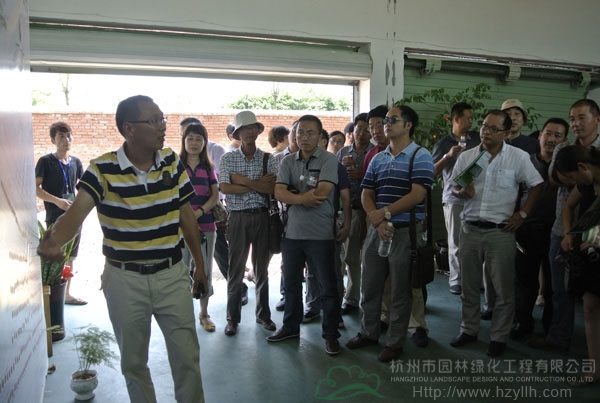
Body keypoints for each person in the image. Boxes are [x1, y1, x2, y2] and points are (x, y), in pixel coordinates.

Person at [37, 95, 208, 402]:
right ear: (129, 128)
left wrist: (200, 267)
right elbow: (76, 213)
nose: (163, 126)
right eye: (154, 121)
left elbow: (186, 217)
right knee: (134, 364)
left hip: (171, 275)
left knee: (187, 358)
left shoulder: (171, 162)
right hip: (124, 281)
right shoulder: (102, 169)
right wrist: (54, 241)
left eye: (162, 119)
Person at [449, 109, 543, 358]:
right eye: (484, 126)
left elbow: (536, 185)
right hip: (470, 229)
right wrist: (462, 192)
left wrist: (522, 214)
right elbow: (454, 188)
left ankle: (499, 337)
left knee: (503, 290)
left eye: (493, 128)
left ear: (506, 133)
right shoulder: (469, 156)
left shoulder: (517, 157)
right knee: (469, 287)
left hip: (500, 232)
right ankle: (468, 329)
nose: (486, 132)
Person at [346, 105, 434, 363]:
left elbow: (417, 195)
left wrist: (383, 214)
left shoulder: (420, 155)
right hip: (378, 231)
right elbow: (367, 192)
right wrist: (377, 220)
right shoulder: (378, 158)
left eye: (392, 120)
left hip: (405, 232)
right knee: (370, 286)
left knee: (400, 291)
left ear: (408, 125)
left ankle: (395, 343)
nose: (386, 124)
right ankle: (368, 333)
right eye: (385, 120)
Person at [529, 99, 600, 352]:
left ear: (597, 120)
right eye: (572, 118)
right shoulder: (564, 147)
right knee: (560, 289)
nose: (576, 123)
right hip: (563, 229)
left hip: (593, 235)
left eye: (581, 117)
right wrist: (579, 178)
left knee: (590, 295)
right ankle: (559, 336)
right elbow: (554, 178)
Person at [267, 114, 342, 355]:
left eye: (310, 133)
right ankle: (291, 327)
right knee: (291, 285)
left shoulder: (329, 160)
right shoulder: (288, 161)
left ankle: (331, 335)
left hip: (321, 235)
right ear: (294, 135)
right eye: (300, 132)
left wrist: (294, 196)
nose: (304, 137)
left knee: (327, 287)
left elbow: (322, 193)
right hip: (292, 234)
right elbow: (279, 192)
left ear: (320, 136)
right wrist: (302, 198)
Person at [219, 110, 277, 336]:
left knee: (262, 270)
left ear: (258, 131)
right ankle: (232, 318)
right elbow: (225, 188)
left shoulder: (268, 159)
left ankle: (263, 316)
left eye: (253, 127)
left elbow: (270, 188)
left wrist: (241, 181)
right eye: (245, 129)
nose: (250, 132)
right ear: (238, 133)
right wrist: (256, 184)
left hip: (262, 216)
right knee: (235, 270)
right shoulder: (228, 158)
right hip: (237, 218)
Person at [511, 118, 568, 340]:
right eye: (548, 134)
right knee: (524, 281)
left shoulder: (566, 166)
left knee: (553, 285)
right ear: (540, 136)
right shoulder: (526, 162)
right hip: (527, 229)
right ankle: (522, 322)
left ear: (564, 140)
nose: (551, 139)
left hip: (556, 232)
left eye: (558, 136)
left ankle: (550, 326)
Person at [553, 145, 600, 386]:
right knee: (590, 308)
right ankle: (595, 369)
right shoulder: (586, 183)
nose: (573, 183)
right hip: (591, 254)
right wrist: (569, 233)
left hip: (594, 244)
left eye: (572, 178)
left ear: (582, 167)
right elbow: (568, 207)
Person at [35, 121, 87, 305]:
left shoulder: (76, 162)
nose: (66, 140)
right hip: (54, 217)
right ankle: (52, 296)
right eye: (61, 136)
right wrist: (58, 201)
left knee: (71, 255)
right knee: (54, 256)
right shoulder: (45, 162)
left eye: (69, 136)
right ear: (53, 140)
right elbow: (35, 188)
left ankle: (66, 294)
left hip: (73, 217)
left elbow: (83, 188)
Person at [431, 102, 479, 295]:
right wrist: (448, 155)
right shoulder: (443, 143)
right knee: (455, 240)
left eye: (472, 118)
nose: (471, 121)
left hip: (476, 197)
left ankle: (474, 279)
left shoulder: (477, 139)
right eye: (468, 118)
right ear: (456, 119)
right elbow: (432, 172)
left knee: (476, 240)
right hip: (453, 198)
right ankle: (456, 280)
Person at [180, 123, 219, 332]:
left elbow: (214, 197)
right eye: (190, 138)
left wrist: (199, 212)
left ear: (205, 143)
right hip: (180, 228)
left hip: (206, 226)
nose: (194, 143)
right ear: (183, 141)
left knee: (204, 268)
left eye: (198, 139)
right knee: (181, 270)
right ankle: (184, 313)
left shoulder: (208, 167)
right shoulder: (175, 167)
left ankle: (204, 314)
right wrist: (187, 218)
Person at [337, 113, 373, 315]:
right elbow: (333, 178)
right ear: (353, 131)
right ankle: (351, 299)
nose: (362, 133)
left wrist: (361, 175)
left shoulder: (375, 153)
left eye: (367, 129)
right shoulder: (343, 152)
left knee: (369, 257)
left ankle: (369, 299)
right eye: (359, 129)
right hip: (348, 210)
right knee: (350, 256)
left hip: (368, 211)